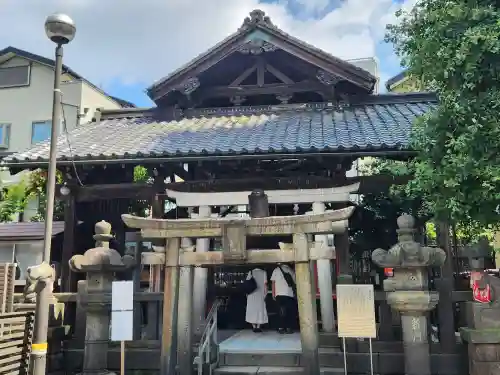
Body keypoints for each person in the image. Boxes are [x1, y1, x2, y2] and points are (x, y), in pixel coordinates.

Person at [271, 263, 297, 334]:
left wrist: (273, 294)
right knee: (289, 312)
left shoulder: (276, 270)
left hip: (279, 294)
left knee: (281, 311)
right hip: (289, 294)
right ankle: (289, 328)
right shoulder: (291, 270)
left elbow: (273, 283)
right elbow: (295, 282)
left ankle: (280, 328)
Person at [245, 267, 268, 332]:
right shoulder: (264, 272)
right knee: (260, 310)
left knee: (251, 310)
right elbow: (265, 284)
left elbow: (247, 284)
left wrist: (247, 294)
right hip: (260, 294)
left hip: (251, 294)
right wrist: (265, 294)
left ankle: (254, 326)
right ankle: (258, 327)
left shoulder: (251, 272)